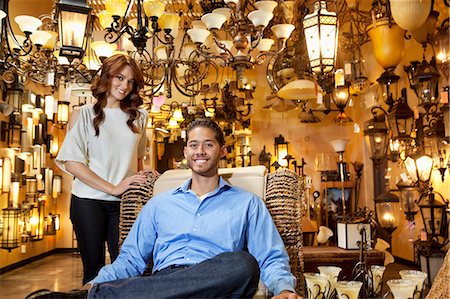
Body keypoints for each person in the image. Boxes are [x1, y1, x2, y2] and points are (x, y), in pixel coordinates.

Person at [28, 118, 301, 299]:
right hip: (166, 278)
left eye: (208, 144)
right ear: (185, 153)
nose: (200, 151)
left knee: (243, 263)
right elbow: (131, 259)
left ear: (222, 150)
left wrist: (285, 289)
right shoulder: (160, 204)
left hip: (218, 281)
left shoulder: (247, 203)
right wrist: (94, 283)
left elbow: (270, 256)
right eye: (193, 145)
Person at [54, 54, 152, 285]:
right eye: (120, 77)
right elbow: (72, 163)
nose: (125, 86)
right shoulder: (84, 113)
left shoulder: (140, 117)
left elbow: (138, 162)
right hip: (88, 201)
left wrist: (146, 176)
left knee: (127, 269)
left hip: (125, 204)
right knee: (94, 273)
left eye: (131, 81)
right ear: (107, 77)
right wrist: (113, 188)